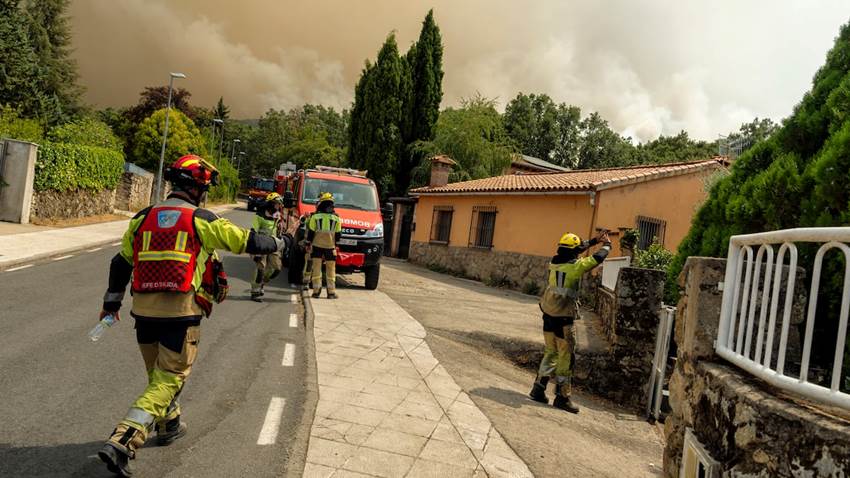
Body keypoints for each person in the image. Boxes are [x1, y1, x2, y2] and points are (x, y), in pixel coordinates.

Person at [96, 155, 287, 477]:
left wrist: (111, 305)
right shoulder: (201, 219)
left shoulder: (142, 217)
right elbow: (248, 241)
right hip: (181, 313)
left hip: (143, 313)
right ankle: (124, 439)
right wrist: (281, 241)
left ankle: (169, 424)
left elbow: (121, 263)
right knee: (170, 377)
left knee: (159, 378)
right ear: (197, 189)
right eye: (205, 189)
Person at [528, 230, 611, 413]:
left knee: (551, 352)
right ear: (574, 252)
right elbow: (597, 258)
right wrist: (607, 245)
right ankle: (562, 397)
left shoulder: (554, 262)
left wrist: (594, 240)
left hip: (548, 315)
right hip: (564, 319)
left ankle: (538, 388)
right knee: (566, 357)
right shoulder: (576, 267)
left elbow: (575, 249)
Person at [305, 192, 342, 299]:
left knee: (317, 268)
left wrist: (308, 244)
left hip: (317, 246)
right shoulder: (336, 218)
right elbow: (338, 235)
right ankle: (331, 293)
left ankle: (316, 292)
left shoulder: (315, 217)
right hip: (330, 247)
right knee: (331, 270)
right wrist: (336, 245)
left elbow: (311, 233)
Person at [250, 192, 284, 302]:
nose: (278, 206)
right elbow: (254, 232)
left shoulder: (277, 215)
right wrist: (255, 249)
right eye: (277, 204)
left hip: (273, 244)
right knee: (260, 268)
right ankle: (255, 292)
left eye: (279, 204)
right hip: (261, 245)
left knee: (276, 269)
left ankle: (262, 282)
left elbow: (278, 230)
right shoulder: (259, 215)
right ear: (271, 203)